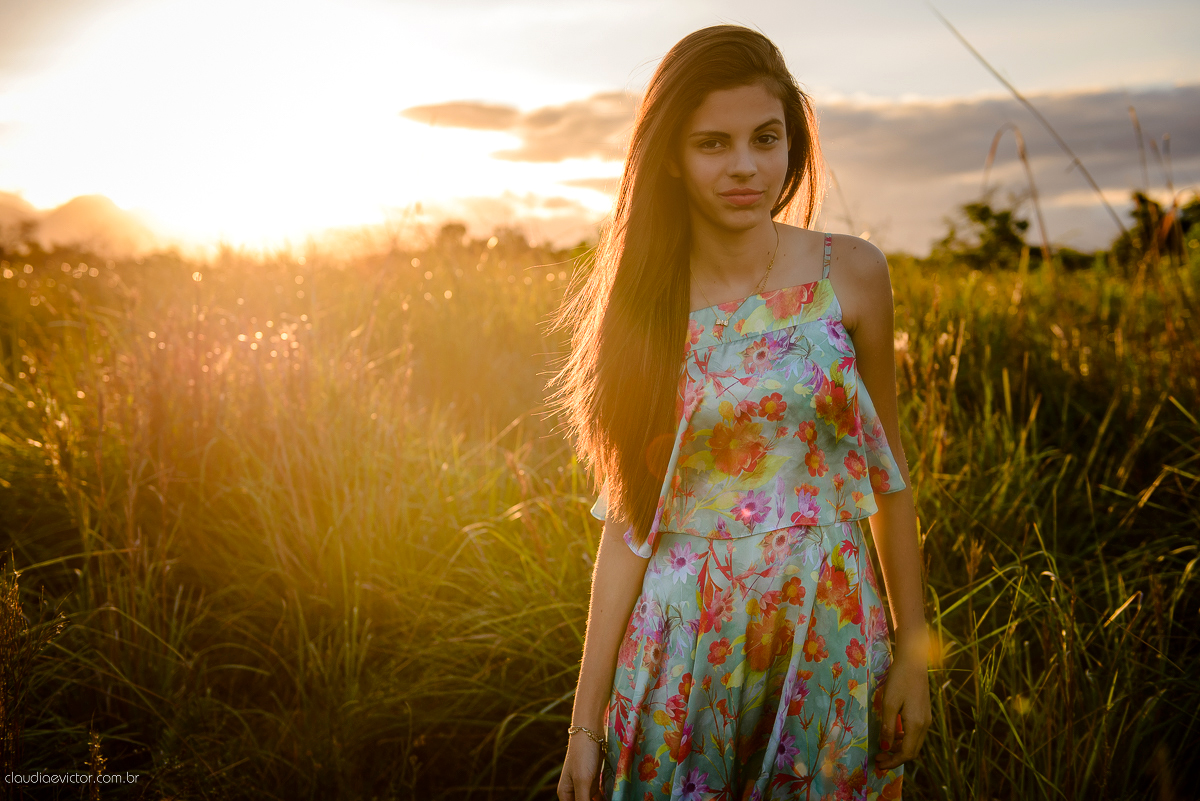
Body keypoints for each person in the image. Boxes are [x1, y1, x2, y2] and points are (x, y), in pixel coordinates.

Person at [546, 24, 930, 801]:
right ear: (672, 158)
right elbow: (626, 524)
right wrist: (584, 726)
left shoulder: (851, 274)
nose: (746, 166)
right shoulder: (645, 304)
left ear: (794, 138)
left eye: (766, 137)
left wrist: (913, 651)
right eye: (713, 144)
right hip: (684, 646)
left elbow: (889, 482)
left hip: (828, 632)